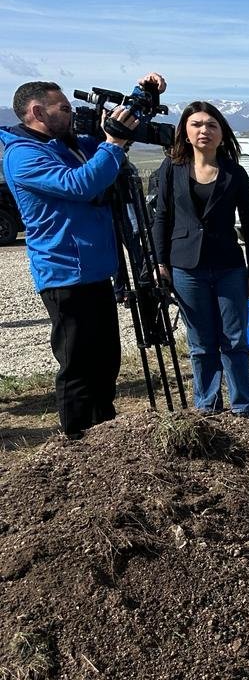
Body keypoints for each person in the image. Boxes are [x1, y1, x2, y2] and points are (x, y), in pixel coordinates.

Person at [0, 73, 165, 439]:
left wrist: (142, 97)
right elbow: (82, 183)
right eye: (63, 108)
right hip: (63, 275)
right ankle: (76, 441)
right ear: (37, 111)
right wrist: (114, 143)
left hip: (94, 271)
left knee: (105, 361)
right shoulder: (23, 155)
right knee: (77, 366)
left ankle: (104, 434)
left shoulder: (66, 143)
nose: (71, 114)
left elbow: (117, 139)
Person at [151, 101, 249, 418]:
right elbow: (161, 219)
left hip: (229, 265)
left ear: (221, 132)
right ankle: (207, 407)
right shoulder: (170, 170)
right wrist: (161, 262)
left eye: (211, 125)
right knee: (200, 342)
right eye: (197, 124)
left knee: (235, 339)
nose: (204, 130)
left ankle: (243, 407)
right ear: (185, 132)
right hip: (186, 267)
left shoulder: (235, 173)